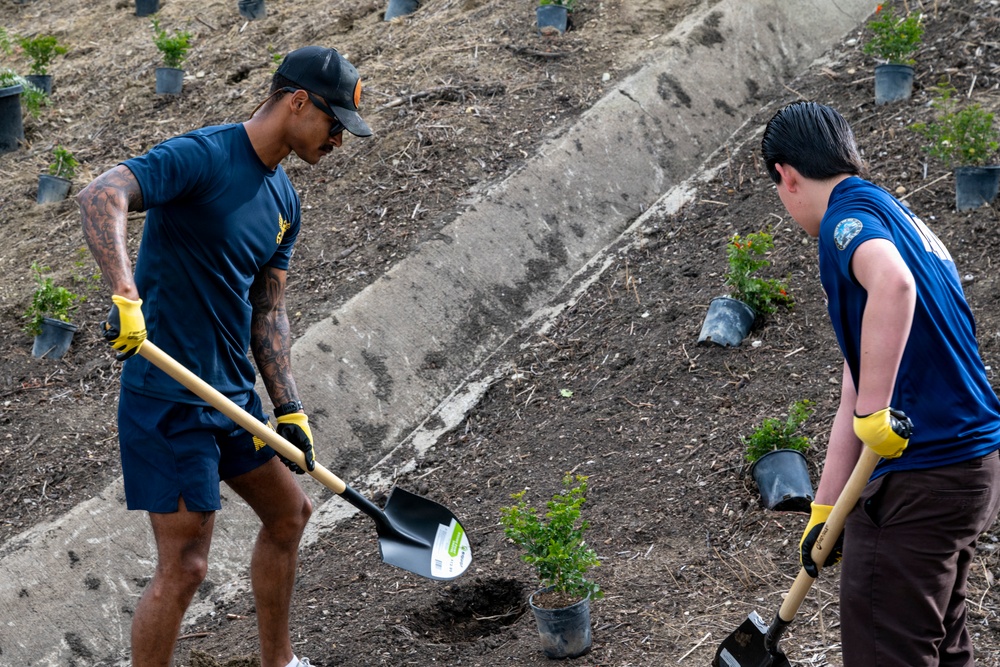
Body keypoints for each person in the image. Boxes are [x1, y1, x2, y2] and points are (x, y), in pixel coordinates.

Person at [78, 45, 372, 667]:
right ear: (298, 102)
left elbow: (268, 310)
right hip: (170, 401)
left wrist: (289, 407)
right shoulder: (203, 156)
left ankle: (279, 662)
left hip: (232, 398)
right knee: (186, 566)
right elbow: (102, 195)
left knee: (290, 513)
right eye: (334, 123)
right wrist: (126, 296)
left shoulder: (285, 201)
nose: (339, 141)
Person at [761, 100, 1000, 666]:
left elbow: (893, 285)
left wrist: (876, 411)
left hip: (923, 476)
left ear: (785, 176)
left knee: (885, 653)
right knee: (939, 643)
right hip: (969, 467)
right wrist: (826, 506)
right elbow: (860, 374)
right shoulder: (896, 215)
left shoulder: (848, 225)